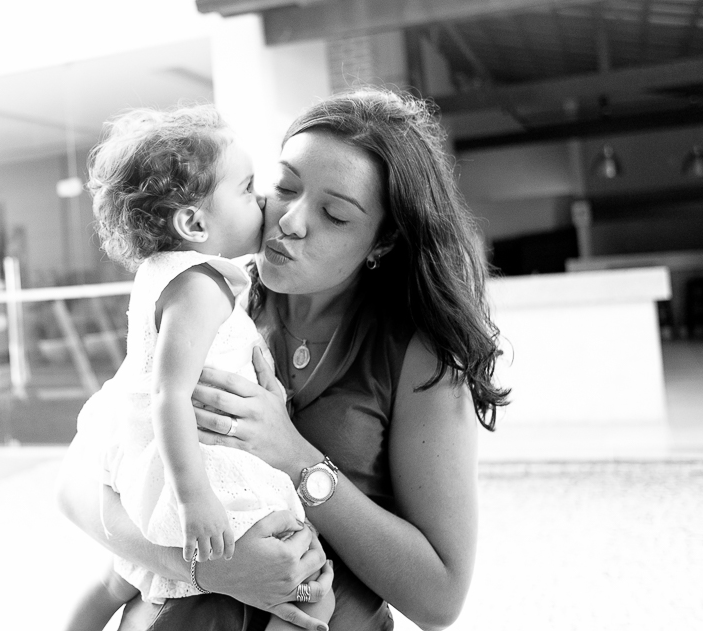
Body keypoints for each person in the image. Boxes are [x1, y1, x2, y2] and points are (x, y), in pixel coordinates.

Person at [58, 88, 509, 631]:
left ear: (383, 241)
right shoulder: (210, 302)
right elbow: (78, 488)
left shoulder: (417, 357)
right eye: (284, 186)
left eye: (335, 214)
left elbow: (440, 599)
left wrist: (295, 458)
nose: (290, 221)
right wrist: (208, 569)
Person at [64, 105, 335, 631]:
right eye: (247, 187)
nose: (262, 200)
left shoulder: (164, 273)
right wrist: (196, 499)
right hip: (197, 462)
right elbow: (170, 393)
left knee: (117, 579)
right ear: (193, 223)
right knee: (312, 597)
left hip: (150, 456)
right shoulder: (202, 286)